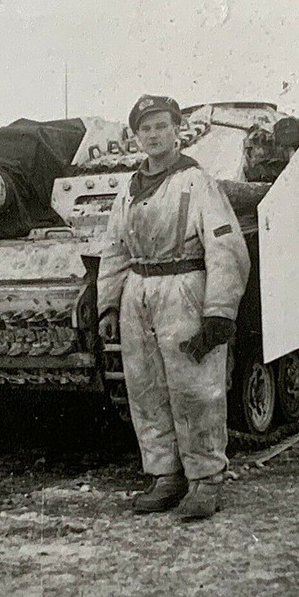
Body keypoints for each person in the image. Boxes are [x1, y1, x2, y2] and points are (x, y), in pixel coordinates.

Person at [97, 95, 251, 521]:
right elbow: (114, 249)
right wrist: (108, 306)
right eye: (145, 128)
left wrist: (219, 311)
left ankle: (205, 480)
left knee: (195, 388)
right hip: (138, 291)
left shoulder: (195, 181)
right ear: (136, 136)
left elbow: (226, 248)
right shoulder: (128, 188)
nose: (153, 135)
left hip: (183, 289)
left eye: (161, 126)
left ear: (177, 129)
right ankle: (165, 475)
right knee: (146, 389)